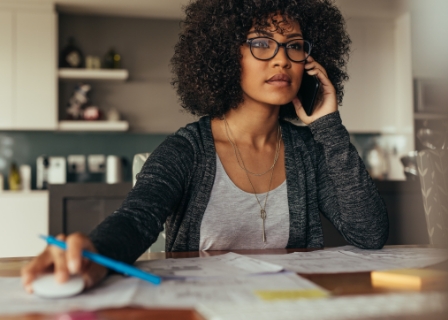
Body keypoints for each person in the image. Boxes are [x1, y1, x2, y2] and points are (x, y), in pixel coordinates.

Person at [22, 0, 388, 293]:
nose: (281, 59)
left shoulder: (310, 150)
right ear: (228, 56)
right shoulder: (187, 150)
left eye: (294, 46)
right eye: (261, 43)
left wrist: (329, 125)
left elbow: (369, 234)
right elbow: (137, 219)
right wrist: (94, 253)